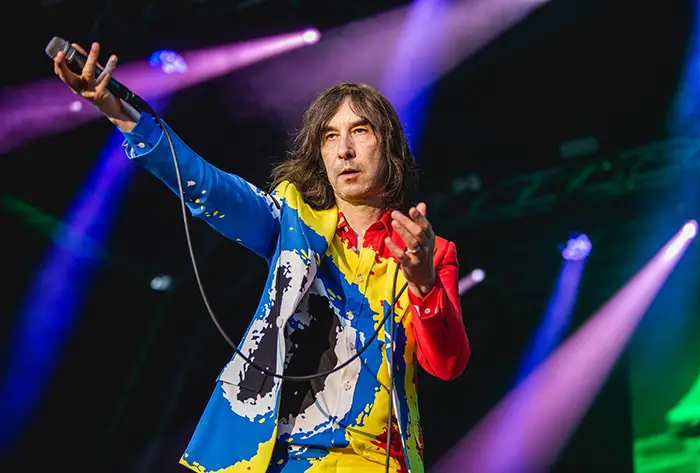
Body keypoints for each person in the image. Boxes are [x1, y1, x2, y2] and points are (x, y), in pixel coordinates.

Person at [52, 42, 471, 473]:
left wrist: (423, 285)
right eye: (330, 136)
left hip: (370, 461)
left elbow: (447, 365)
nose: (344, 149)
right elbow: (209, 186)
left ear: (391, 148)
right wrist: (121, 112)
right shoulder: (291, 221)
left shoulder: (432, 253)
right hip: (270, 457)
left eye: (360, 131)